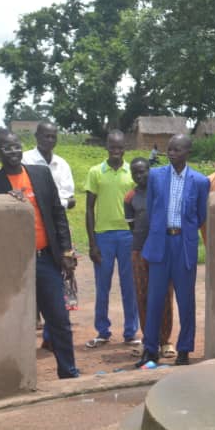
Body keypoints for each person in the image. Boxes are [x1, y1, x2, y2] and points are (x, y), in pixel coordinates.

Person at [0, 130, 80, 379]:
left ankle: (68, 372)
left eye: (15, 147)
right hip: (16, 265)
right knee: (18, 322)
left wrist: (66, 250)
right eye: (6, 148)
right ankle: (18, 377)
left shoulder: (40, 174)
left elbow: (58, 214)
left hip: (46, 258)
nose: (12, 152)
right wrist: (6, 202)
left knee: (59, 318)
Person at [135, 133, 209, 367]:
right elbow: (151, 208)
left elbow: (200, 216)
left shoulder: (199, 181)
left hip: (183, 245)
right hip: (160, 243)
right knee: (155, 299)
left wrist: (183, 233)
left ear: (187, 152)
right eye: (170, 149)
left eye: (177, 149)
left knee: (186, 301)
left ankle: (185, 350)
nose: (171, 152)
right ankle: (150, 350)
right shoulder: (156, 176)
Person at [84, 130, 139, 348]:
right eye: (112, 147)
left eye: (120, 147)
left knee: (130, 286)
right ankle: (103, 330)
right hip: (103, 236)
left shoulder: (131, 172)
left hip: (128, 235)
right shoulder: (96, 172)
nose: (116, 152)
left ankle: (130, 331)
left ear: (125, 147)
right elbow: (89, 209)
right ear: (106, 147)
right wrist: (92, 243)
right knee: (102, 285)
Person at [124, 157, 175, 359]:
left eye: (143, 171)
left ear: (150, 171)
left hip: (162, 249)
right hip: (139, 250)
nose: (140, 175)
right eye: (135, 172)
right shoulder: (130, 197)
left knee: (164, 295)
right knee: (143, 295)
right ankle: (149, 339)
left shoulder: (162, 193)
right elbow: (132, 226)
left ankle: (166, 341)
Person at [23, 121, 74, 209]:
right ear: (36, 136)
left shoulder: (61, 164)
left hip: (57, 216)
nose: (50, 140)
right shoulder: (25, 160)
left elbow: (68, 194)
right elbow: (25, 192)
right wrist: (63, 202)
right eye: (46, 136)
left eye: (53, 137)